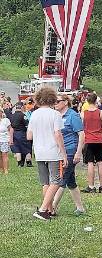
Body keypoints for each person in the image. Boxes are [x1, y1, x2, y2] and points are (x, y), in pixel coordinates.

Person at [27, 87, 67, 221]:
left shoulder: (34, 114)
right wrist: (64, 153)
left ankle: (50, 210)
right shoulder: (55, 114)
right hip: (53, 152)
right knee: (56, 181)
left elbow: (29, 135)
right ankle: (43, 209)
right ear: (52, 98)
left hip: (39, 151)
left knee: (46, 182)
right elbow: (58, 134)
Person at [52, 95, 86, 216]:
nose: (55, 103)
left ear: (66, 102)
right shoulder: (56, 116)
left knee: (62, 179)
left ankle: (51, 208)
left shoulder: (73, 116)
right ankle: (80, 208)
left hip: (70, 151)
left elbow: (81, 135)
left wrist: (78, 152)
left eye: (57, 101)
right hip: (60, 151)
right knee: (70, 181)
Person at [81, 93, 102, 193]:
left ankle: (91, 186)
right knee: (100, 162)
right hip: (99, 139)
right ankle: (101, 186)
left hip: (89, 139)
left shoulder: (83, 113)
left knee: (90, 163)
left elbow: (82, 128)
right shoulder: (101, 113)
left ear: (87, 101)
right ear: (96, 101)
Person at [10, 102, 33, 167]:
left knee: (17, 149)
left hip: (14, 134)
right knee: (27, 148)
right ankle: (29, 162)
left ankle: (19, 163)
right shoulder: (23, 115)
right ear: (22, 107)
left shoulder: (12, 116)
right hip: (22, 133)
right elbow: (27, 125)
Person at [0, 109, 13, 174]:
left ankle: (6, 170)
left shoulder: (5, 120)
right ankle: (1, 168)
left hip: (4, 139)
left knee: (4, 154)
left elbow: (10, 129)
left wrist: (11, 139)